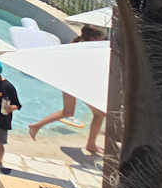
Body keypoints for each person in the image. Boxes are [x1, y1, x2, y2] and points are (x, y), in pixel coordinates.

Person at [28, 25, 108, 154]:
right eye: (101, 39)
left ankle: (36, 126)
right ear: (94, 39)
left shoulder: (77, 45)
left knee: (68, 112)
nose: (102, 41)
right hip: (76, 84)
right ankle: (91, 144)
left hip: (67, 82)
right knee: (99, 114)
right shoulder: (87, 50)